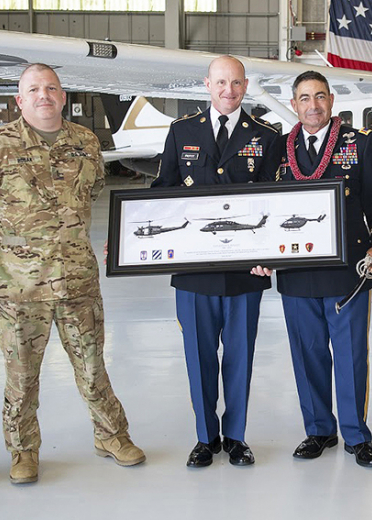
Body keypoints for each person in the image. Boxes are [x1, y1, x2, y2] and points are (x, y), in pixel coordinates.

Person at [0, 63, 144, 484]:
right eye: (33, 89)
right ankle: (23, 451)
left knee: (93, 368)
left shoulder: (86, 142)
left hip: (77, 281)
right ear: (19, 99)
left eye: (51, 88)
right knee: (22, 377)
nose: (43, 95)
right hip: (20, 288)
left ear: (63, 97)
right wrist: (17, 247)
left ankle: (111, 436)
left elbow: (93, 191)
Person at [253, 70, 372, 468]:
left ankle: (357, 436)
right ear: (294, 104)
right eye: (304, 98)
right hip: (296, 272)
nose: (312, 105)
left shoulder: (359, 143)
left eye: (319, 96)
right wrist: (261, 253)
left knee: (351, 357)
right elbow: (263, 204)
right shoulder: (279, 147)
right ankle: (318, 430)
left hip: (347, 272)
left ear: (331, 100)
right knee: (308, 355)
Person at [152, 55, 279, 467]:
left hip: (246, 272)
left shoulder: (266, 136)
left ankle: (236, 437)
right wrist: (129, 239)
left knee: (240, 358)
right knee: (199, 357)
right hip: (194, 272)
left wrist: (269, 256)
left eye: (237, 83)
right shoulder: (181, 131)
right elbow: (162, 190)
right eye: (221, 82)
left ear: (246, 86)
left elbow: (275, 202)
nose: (229, 90)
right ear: (207, 84)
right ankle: (205, 438)